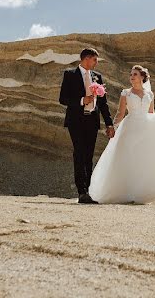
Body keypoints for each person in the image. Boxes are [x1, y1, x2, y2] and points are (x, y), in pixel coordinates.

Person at [88, 65, 155, 205]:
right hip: (130, 128)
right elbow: (120, 113)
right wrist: (113, 127)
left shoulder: (149, 94)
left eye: (135, 74)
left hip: (145, 129)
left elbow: (151, 113)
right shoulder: (125, 93)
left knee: (144, 160)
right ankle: (128, 193)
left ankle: (141, 193)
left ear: (142, 77)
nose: (132, 77)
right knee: (129, 160)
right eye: (131, 74)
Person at [58, 47, 114, 204]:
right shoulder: (70, 75)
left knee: (89, 156)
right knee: (79, 153)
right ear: (87, 59)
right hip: (76, 120)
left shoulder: (98, 77)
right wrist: (82, 100)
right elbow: (63, 99)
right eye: (95, 60)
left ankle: (88, 191)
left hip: (92, 121)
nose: (96, 63)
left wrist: (109, 124)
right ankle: (81, 191)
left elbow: (103, 103)